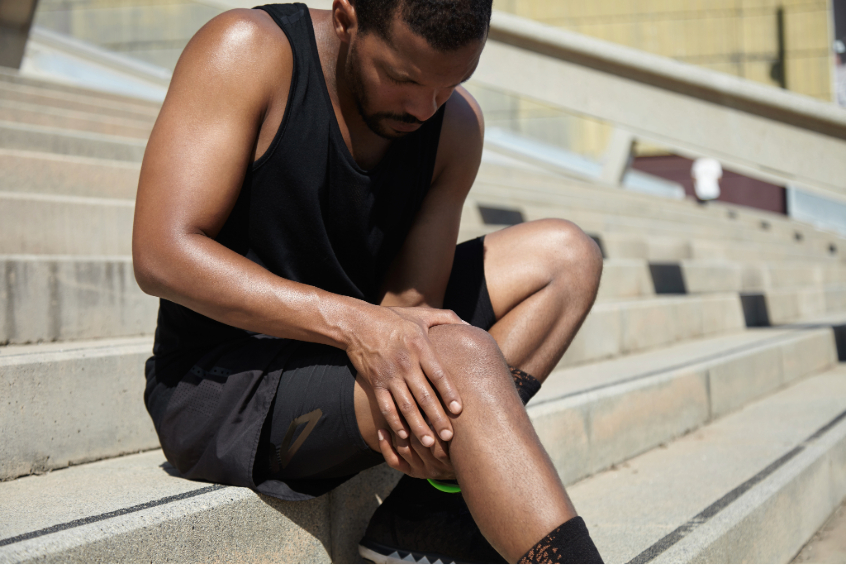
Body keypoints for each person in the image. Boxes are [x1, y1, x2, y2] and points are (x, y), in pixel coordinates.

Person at [132, 0, 604, 562]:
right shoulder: (247, 50)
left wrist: (415, 386)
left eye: (451, 83)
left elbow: (409, 307)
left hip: (347, 364)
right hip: (226, 385)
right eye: (402, 78)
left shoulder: (454, 125)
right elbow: (162, 253)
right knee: (460, 355)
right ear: (346, 18)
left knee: (569, 257)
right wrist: (357, 324)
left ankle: (426, 515)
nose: (424, 107)